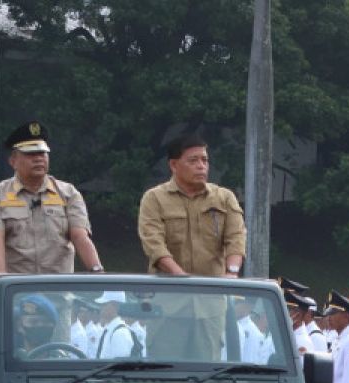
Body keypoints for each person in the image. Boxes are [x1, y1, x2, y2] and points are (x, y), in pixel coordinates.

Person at [0, 122, 105, 276]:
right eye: (30, 154)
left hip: (58, 290)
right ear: (13, 161)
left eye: (42, 153)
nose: (38, 159)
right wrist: (0, 280)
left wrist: (97, 271)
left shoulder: (68, 193)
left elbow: (80, 236)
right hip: (16, 291)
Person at [138, 133, 246, 278]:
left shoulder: (225, 198)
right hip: (167, 293)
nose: (201, 166)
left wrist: (232, 272)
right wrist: (183, 279)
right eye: (193, 161)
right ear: (174, 165)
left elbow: (236, 239)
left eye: (205, 160)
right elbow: (154, 245)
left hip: (214, 292)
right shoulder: (154, 198)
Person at [91, 292, 136, 359]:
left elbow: (118, 367)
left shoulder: (120, 333)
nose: (101, 307)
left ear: (115, 305)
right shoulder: (109, 330)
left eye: (104, 304)